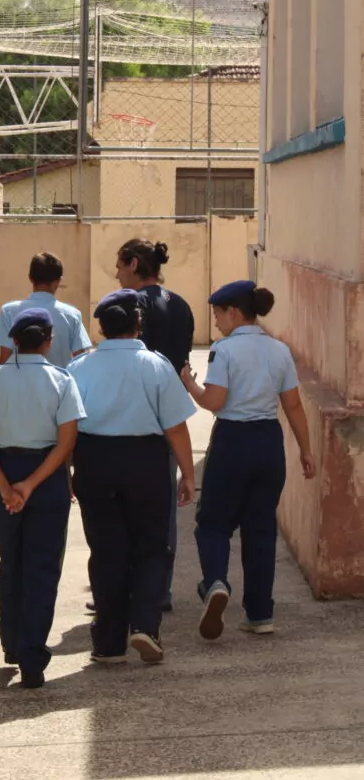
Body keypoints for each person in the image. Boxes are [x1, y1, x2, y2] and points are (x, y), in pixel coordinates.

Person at [181, 280, 316, 641]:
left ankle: (215, 584)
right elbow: (293, 405)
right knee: (260, 530)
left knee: (212, 524)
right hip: (268, 442)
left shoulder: (224, 351)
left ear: (233, 312)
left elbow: (214, 402)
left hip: (232, 441)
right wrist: (305, 450)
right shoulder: (279, 350)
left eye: (218, 315)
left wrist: (189, 384)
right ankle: (259, 614)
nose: (217, 323)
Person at [68, 289, 196, 665]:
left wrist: (69, 472)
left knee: (106, 552)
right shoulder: (156, 366)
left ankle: (108, 642)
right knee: (152, 547)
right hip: (145, 461)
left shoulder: (79, 369)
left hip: (94, 460)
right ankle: (145, 625)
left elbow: (67, 429)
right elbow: (176, 427)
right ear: (139, 323)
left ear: (102, 328)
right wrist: (187, 474)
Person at [0, 308, 85, 689]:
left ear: (13, 341)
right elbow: (67, 441)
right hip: (47, 476)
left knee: (11, 560)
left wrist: (6, 486)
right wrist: (33, 484)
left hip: (5, 466)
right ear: (49, 341)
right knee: (42, 568)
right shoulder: (62, 380)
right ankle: (32, 656)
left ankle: (12, 642)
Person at [115, 237, 195, 612]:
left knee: (121, 513)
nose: (117, 273)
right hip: (167, 418)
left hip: (128, 420)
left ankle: (121, 588)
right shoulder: (180, 306)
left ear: (132, 263)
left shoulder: (127, 307)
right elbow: (181, 368)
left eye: (119, 265)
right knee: (162, 511)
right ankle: (158, 590)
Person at [0, 252, 91, 368]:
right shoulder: (72, 315)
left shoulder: (8, 311)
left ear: (30, 278)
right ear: (58, 281)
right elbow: (81, 360)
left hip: (18, 384)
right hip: (59, 384)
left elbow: (4, 359)